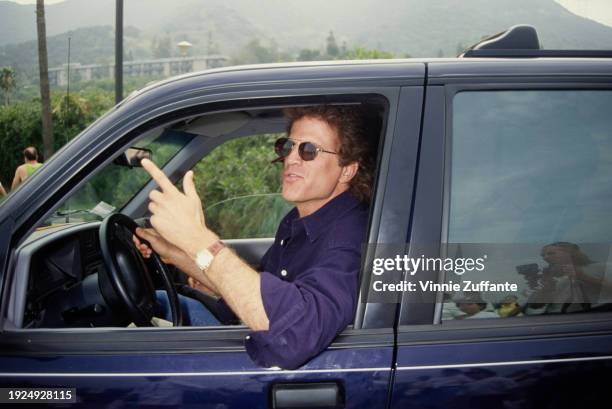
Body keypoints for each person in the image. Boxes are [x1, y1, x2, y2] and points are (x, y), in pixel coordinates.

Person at [134, 105, 377, 369]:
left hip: (283, 365)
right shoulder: (299, 221)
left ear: (347, 170)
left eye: (309, 150)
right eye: (287, 147)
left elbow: (293, 337)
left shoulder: (350, 238)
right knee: (159, 303)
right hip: (247, 329)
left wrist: (198, 240)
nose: (292, 159)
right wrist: (175, 252)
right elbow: (266, 290)